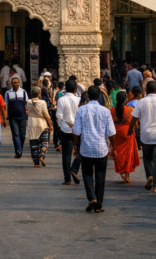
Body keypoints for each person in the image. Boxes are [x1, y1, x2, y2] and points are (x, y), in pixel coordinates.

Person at [72, 84, 116, 213]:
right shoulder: (106, 111)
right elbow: (111, 133)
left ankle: (92, 197)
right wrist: (114, 147)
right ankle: (98, 205)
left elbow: (76, 131)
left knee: (87, 174)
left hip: (86, 147)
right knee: (100, 176)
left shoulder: (81, 110)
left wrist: (75, 144)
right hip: (101, 148)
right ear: (99, 96)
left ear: (87, 96)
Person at [128, 80, 156, 193]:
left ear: (146, 90)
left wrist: (130, 129)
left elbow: (134, 118)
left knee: (147, 158)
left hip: (146, 136)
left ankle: (149, 175)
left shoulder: (141, 102)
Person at [109, 90, 140, 183]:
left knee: (118, 153)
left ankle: (121, 171)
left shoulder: (112, 110)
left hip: (116, 134)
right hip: (128, 134)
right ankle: (127, 175)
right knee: (128, 155)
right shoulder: (130, 110)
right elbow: (135, 123)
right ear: (126, 99)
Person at [56, 80, 82, 185]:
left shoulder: (61, 99)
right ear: (75, 89)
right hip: (78, 129)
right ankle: (74, 168)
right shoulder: (79, 99)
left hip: (66, 129)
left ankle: (67, 179)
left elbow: (59, 115)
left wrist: (61, 125)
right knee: (80, 151)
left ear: (65, 88)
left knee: (66, 155)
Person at [27, 86, 53, 167]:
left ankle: (36, 163)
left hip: (32, 124)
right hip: (42, 124)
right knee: (44, 142)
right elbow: (46, 115)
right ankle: (41, 155)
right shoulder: (42, 102)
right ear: (39, 93)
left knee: (34, 144)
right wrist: (50, 125)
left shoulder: (28, 102)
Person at [4, 76, 29, 159]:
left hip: (22, 116)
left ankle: (20, 150)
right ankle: (18, 150)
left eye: (17, 82)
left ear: (19, 83)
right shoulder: (8, 93)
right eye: (14, 82)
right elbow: (6, 105)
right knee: (15, 134)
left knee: (23, 135)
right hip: (12, 117)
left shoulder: (23, 92)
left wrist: (28, 112)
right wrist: (5, 117)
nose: (16, 84)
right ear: (11, 84)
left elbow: (27, 104)